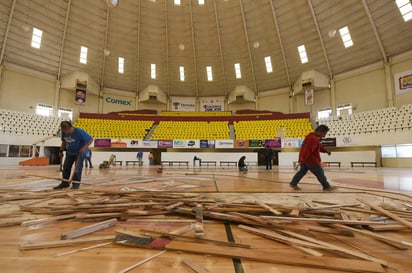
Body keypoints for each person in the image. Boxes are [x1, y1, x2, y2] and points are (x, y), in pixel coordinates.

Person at [289, 125, 337, 191]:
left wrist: (325, 151)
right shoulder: (313, 139)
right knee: (320, 173)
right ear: (320, 131)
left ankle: (293, 183)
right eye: (324, 133)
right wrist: (304, 158)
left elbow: (318, 146)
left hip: (305, 159)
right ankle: (326, 187)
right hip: (311, 160)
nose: (325, 135)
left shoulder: (311, 136)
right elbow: (308, 150)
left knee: (301, 172)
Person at [54, 121, 93, 190]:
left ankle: (76, 184)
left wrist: (84, 148)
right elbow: (64, 141)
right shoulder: (64, 132)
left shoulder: (79, 132)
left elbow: (90, 139)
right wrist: (61, 151)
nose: (66, 133)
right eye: (64, 131)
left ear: (70, 128)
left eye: (67, 131)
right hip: (70, 152)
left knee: (77, 169)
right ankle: (65, 183)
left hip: (80, 153)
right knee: (66, 167)